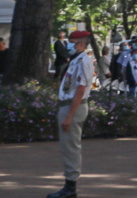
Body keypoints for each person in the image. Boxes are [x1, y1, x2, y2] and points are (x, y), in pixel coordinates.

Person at [47, 30, 94, 198]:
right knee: (67, 147)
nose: (70, 47)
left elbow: (81, 89)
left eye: (73, 43)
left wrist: (69, 115)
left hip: (73, 107)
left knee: (71, 147)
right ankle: (69, 185)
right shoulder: (77, 60)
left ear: (81, 43)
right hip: (69, 106)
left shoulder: (83, 61)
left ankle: (71, 187)